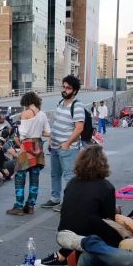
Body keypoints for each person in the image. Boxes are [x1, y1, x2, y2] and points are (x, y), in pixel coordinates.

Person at [37, 146, 118, 266]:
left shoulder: (73, 182)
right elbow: (108, 219)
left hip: (65, 232)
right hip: (87, 234)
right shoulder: (106, 187)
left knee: (85, 221)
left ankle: (62, 255)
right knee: (115, 232)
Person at [41, 76, 84, 210]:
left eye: (68, 88)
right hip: (54, 146)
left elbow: (79, 128)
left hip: (68, 148)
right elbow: (56, 124)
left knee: (69, 176)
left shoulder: (77, 106)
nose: (65, 90)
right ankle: (55, 198)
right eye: (64, 87)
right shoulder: (60, 102)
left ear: (75, 91)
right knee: (55, 174)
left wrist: (67, 143)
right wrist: (50, 141)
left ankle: (68, 202)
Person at [7, 92, 51, 215]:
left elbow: (23, 133)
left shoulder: (25, 113)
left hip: (26, 146)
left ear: (26, 102)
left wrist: (20, 135)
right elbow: (47, 132)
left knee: (20, 176)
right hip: (38, 146)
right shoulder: (43, 115)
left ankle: (19, 207)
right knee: (34, 177)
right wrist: (37, 130)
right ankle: (30, 206)